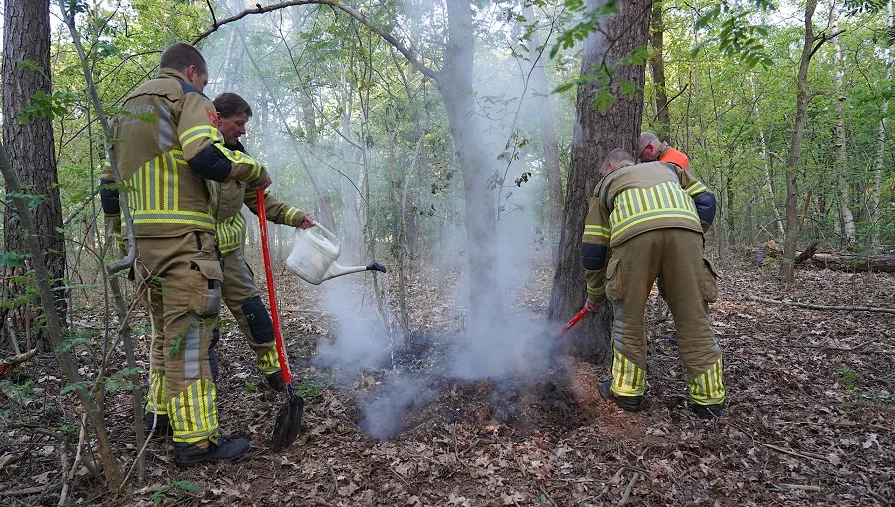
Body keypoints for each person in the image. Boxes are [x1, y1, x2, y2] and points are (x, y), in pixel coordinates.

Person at [99, 43, 271, 466]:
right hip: (185, 244)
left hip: (144, 246)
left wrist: (122, 240)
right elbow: (204, 156)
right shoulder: (187, 98)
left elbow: (108, 185)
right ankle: (196, 441)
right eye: (204, 82)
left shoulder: (126, 109)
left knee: (165, 336)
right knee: (192, 340)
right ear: (192, 71)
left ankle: (159, 417)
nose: (205, 90)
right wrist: (252, 170)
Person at [581, 148, 725, 419]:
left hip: (634, 239)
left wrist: (594, 295)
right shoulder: (669, 169)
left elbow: (593, 249)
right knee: (694, 318)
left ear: (611, 165)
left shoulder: (607, 184)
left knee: (629, 320)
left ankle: (627, 392)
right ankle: (709, 399)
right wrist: (690, 230)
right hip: (685, 232)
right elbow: (706, 200)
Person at [209, 92, 316, 392]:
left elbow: (261, 201)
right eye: (239, 123)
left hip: (230, 254)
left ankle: (276, 374)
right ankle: (202, 388)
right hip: (196, 254)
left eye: (245, 124)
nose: (243, 131)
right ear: (217, 119)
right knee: (203, 326)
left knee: (254, 312)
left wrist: (297, 217)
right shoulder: (195, 156)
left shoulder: (241, 162)